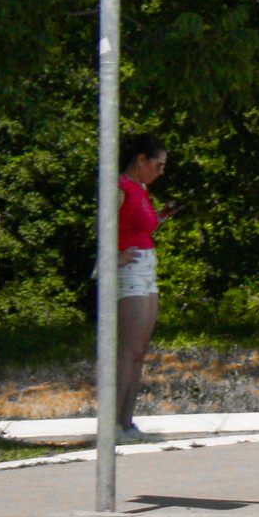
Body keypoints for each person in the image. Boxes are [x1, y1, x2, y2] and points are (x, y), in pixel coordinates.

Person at [106, 132, 167, 435]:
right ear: (141, 160)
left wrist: (162, 217)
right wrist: (113, 258)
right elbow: (102, 226)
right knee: (127, 350)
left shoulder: (141, 189)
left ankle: (126, 422)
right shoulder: (119, 186)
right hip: (128, 271)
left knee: (139, 350)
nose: (160, 172)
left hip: (147, 268)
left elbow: (139, 224)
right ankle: (111, 424)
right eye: (157, 165)